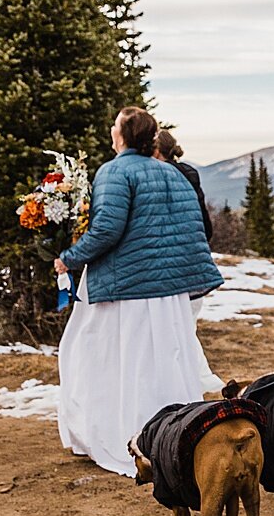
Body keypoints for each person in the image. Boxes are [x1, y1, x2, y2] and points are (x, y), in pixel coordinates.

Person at [53, 106, 223, 477]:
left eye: (115, 125)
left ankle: (123, 438)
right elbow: (191, 228)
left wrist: (69, 257)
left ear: (124, 135)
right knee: (164, 361)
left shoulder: (115, 171)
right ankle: (177, 437)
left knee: (103, 357)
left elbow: (107, 230)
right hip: (171, 291)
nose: (111, 131)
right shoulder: (172, 173)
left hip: (129, 288)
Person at [154, 127, 215, 247]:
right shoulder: (189, 173)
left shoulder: (153, 175)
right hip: (192, 245)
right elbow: (206, 225)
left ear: (156, 151)